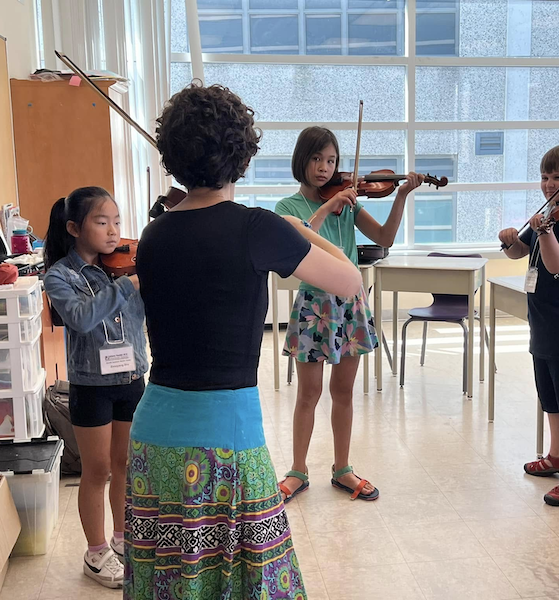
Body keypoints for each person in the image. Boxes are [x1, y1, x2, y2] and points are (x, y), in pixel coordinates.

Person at [125, 83, 362, 600]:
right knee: (247, 582)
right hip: (225, 438)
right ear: (242, 153)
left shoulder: (154, 235)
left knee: (170, 580)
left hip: (154, 435)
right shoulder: (259, 227)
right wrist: (300, 226)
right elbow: (351, 280)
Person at [274, 126, 422, 503]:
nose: (325, 168)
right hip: (313, 305)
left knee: (344, 392)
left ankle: (342, 468)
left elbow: (385, 238)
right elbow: (294, 246)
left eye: (331, 160)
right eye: (317, 159)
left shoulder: (351, 204)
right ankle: (298, 470)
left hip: (350, 303)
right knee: (308, 392)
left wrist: (401, 195)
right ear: (301, 160)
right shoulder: (288, 208)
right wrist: (327, 206)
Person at [44, 186, 148, 589]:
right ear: (74, 227)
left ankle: (123, 539)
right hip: (91, 385)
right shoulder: (60, 276)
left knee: (124, 464)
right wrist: (127, 285)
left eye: (117, 222)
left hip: (132, 378)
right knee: (98, 469)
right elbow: (81, 318)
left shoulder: (122, 266)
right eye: (101, 222)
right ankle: (95, 551)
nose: (112, 231)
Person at [498, 145, 559, 506]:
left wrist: (544, 231)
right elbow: (517, 253)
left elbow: (558, 266)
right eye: (544, 177)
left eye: (558, 177)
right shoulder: (547, 215)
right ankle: (557, 455)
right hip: (543, 321)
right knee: (550, 394)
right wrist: (510, 238)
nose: (549, 184)